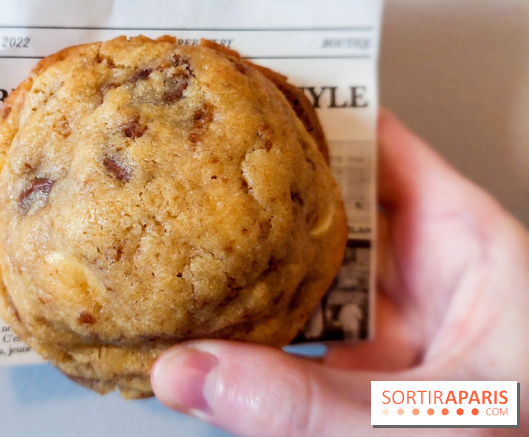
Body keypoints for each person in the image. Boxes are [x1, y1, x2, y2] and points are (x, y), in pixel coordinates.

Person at [151, 109, 529, 436]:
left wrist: (504, 418)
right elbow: (493, 411)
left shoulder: (499, 407)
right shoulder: (501, 406)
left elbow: (490, 413)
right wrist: (509, 416)